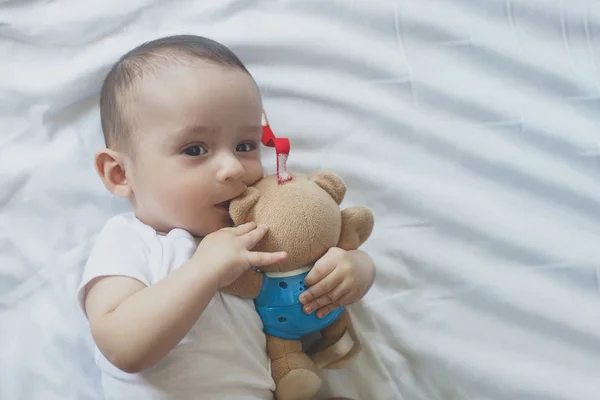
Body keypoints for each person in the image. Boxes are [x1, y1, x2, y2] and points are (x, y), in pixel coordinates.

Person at [76, 34, 376, 400]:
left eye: (245, 146)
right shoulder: (128, 239)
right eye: (195, 149)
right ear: (120, 173)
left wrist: (354, 270)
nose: (233, 167)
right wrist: (204, 271)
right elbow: (123, 347)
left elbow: (309, 262)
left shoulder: (253, 233)